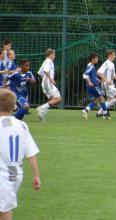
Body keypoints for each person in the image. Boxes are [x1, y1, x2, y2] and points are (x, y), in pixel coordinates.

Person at [0, 89, 40, 220]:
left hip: (3, 175)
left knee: (5, 210)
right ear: (13, 107)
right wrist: (36, 175)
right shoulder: (22, 125)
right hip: (16, 175)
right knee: (4, 207)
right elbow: (31, 152)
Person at [96, 49, 116, 119]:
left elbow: (113, 76)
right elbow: (98, 72)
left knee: (109, 100)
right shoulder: (106, 63)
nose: (115, 56)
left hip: (109, 84)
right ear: (109, 55)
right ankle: (104, 110)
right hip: (107, 85)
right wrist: (106, 80)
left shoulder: (112, 64)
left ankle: (99, 113)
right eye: (114, 55)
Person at [36, 49, 61, 122]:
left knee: (52, 100)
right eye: (54, 54)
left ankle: (41, 114)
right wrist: (50, 79)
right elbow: (45, 71)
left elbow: (40, 73)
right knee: (58, 99)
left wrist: (45, 79)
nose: (54, 56)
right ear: (50, 54)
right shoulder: (49, 62)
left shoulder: (45, 61)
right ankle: (41, 108)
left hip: (45, 83)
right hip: (48, 83)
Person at [82, 53, 109, 120]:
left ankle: (85, 110)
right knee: (102, 98)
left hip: (90, 87)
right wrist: (90, 82)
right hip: (93, 86)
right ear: (92, 59)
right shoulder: (91, 66)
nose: (97, 59)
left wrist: (96, 79)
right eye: (96, 58)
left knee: (95, 101)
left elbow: (90, 75)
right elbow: (85, 75)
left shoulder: (90, 65)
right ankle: (105, 114)